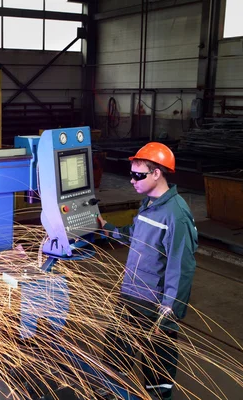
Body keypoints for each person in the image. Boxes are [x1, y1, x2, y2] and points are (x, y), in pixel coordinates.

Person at [97, 142, 198, 400]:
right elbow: (136, 236)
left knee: (157, 366)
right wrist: (108, 228)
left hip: (153, 303)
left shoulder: (176, 215)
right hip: (131, 294)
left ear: (157, 173)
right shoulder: (149, 204)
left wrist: (169, 311)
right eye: (130, 174)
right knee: (115, 356)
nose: (132, 180)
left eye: (137, 175)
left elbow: (181, 265)